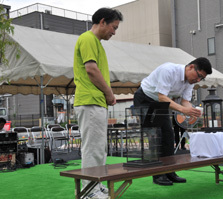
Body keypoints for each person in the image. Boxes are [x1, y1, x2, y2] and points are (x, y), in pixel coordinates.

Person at [134, 57, 212, 186]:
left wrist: (192, 111)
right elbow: (162, 96)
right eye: (198, 76)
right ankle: (158, 174)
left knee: (169, 136)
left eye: (201, 79)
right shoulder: (169, 70)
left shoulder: (190, 82)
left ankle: (170, 171)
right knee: (155, 135)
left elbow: (185, 102)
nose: (198, 80)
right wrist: (183, 110)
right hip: (144, 99)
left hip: (161, 102)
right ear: (191, 67)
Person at [73, 8, 123, 199]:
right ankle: (89, 191)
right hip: (90, 100)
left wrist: (107, 96)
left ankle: (96, 184)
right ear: (103, 22)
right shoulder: (87, 39)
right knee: (93, 147)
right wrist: (109, 93)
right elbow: (91, 70)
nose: (114, 32)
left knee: (99, 147)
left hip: (95, 101)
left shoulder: (96, 43)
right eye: (114, 27)